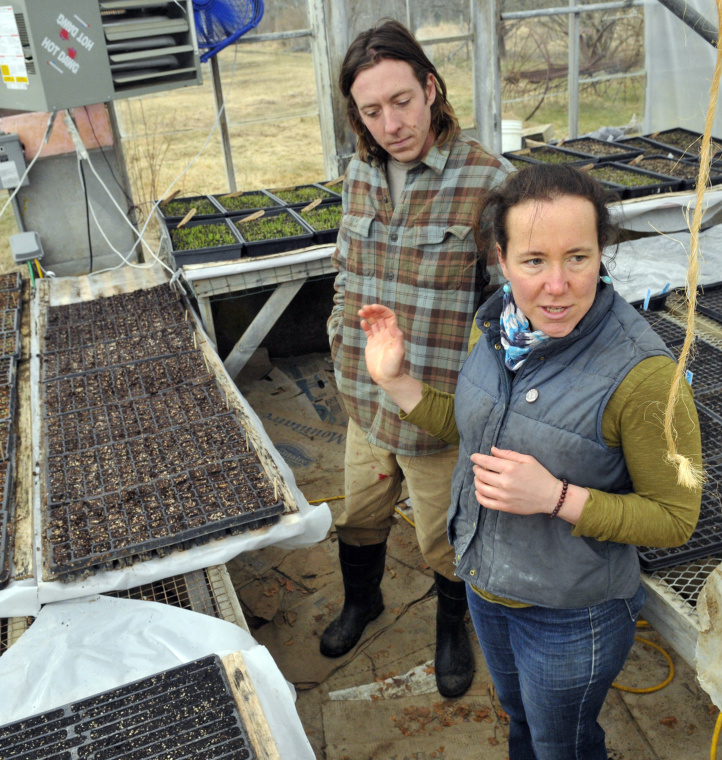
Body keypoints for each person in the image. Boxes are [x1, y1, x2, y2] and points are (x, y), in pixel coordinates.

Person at [358, 163, 702, 759]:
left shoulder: (643, 376)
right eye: (533, 260)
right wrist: (398, 383)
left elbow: (675, 517)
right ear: (502, 258)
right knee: (522, 724)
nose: (557, 284)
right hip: (488, 587)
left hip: (572, 614)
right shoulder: (496, 325)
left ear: (602, 253)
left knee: (562, 743)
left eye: (578, 257)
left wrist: (556, 498)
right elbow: (474, 429)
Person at [323, 18, 511, 699]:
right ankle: (361, 602)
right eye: (371, 111)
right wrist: (343, 339)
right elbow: (346, 267)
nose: (390, 123)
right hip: (364, 398)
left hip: (435, 412)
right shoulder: (359, 172)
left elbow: (507, 310)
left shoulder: (487, 181)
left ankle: (449, 629)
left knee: (441, 537)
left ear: (430, 88)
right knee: (359, 515)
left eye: (401, 100)